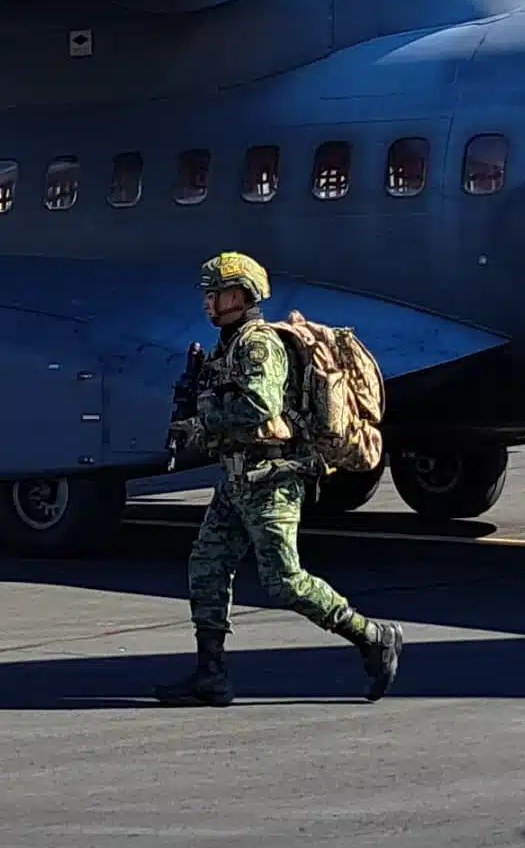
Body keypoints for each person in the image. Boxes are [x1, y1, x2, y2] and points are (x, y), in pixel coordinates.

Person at [157, 252, 402, 708]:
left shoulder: (258, 345)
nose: (208, 302)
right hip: (237, 479)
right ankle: (210, 673)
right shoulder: (227, 346)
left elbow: (259, 406)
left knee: (285, 581)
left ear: (242, 296)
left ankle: (373, 638)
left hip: (271, 479)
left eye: (217, 293)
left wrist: (204, 422)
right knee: (207, 567)